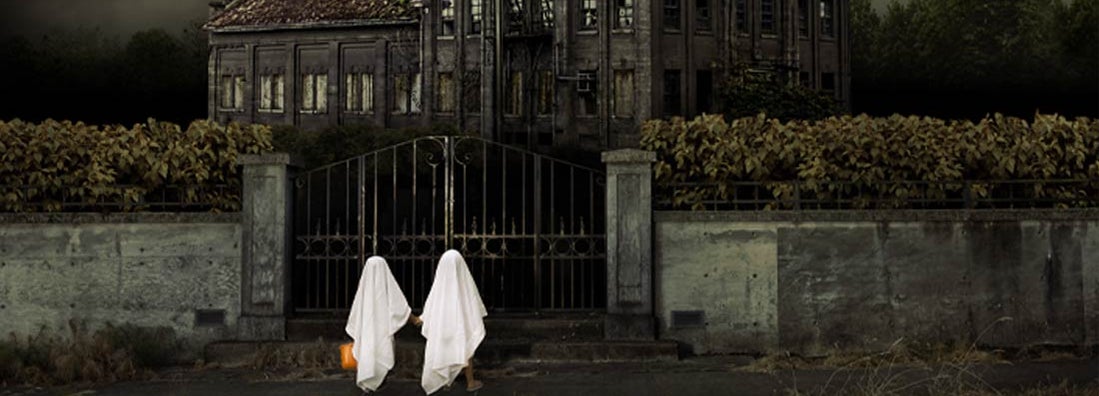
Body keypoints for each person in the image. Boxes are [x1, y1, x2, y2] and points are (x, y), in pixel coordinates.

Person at [417, 249, 487, 393]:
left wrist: (422, 318)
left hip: (443, 328)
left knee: (443, 348)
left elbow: (430, 304)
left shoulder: (440, 285)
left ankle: (445, 380)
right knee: (466, 348)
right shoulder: (464, 283)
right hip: (460, 326)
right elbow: (473, 302)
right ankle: (470, 382)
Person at [345, 256, 411, 393]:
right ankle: (379, 383)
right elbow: (399, 305)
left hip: (367, 329)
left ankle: (370, 383)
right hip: (382, 328)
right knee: (382, 349)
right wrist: (414, 319)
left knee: (368, 350)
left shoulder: (364, 288)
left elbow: (356, 312)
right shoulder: (387, 284)